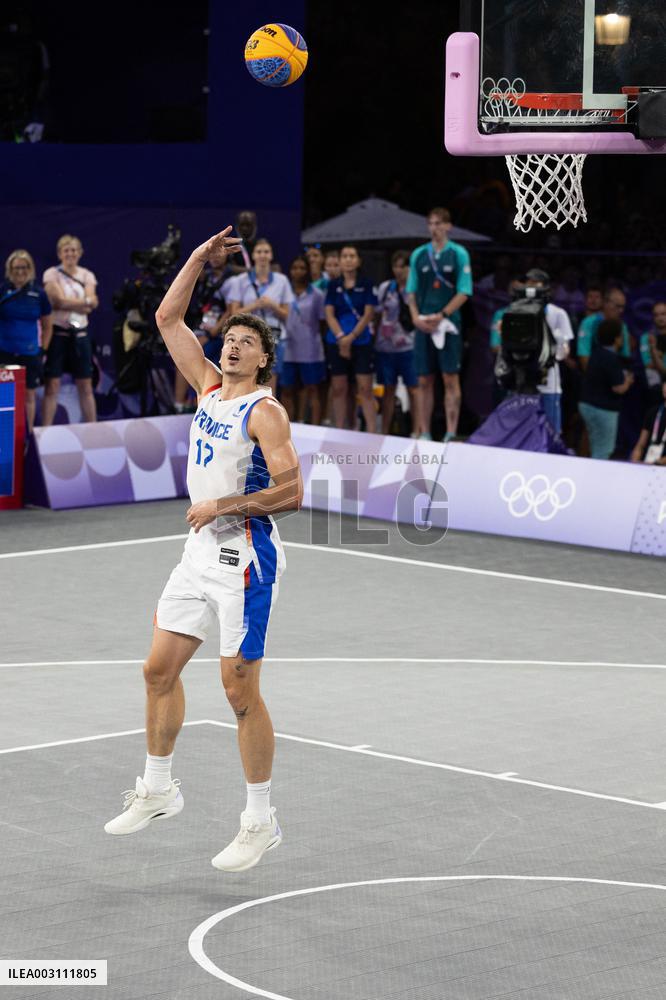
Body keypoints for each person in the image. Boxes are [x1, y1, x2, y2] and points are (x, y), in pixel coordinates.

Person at [104, 226, 303, 875]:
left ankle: (260, 820)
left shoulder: (265, 412)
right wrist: (195, 259)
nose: (233, 344)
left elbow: (293, 492)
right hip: (196, 555)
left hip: (244, 561)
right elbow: (168, 318)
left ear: (264, 359)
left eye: (247, 341)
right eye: (229, 338)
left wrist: (223, 506)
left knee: (239, 691)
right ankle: (158, 789)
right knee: (157, 670)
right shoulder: (209, 389)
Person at [406, 206, 472, 441]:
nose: (434, 228)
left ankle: (450, 432)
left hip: (449, 324)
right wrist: (415, 317)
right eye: (431, 224)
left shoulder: (459, 253)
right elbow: (411, 291)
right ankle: (424, 431)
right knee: (424, 379)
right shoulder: (418, 254)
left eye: (438, 224)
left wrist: (443, 314)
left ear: (448, 226)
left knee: (450, 378)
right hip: (423, 324)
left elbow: (465, 291)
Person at [42, 234, 99, 425]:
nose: (70, 254)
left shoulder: (87, 275)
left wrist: (72, 303)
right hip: (58, 335)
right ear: (59, 254)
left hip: (80, 336)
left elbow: (94, 302)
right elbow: (57, 301)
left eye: (74, 250)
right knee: (52, 385)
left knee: (86, 385)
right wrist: (84, 303)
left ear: (80, 253)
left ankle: (93, 430)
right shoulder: (51, 274)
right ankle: (45, 432)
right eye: (66, 250)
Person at [228, 238, 294, 394]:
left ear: (271, 255)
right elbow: (233, 313)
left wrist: (272, 305)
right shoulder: (240, 281)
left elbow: (287, 314)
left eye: (266, 252)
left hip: (273, 336)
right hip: (247, 337)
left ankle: (267, 408)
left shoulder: (282, 281)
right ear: (253, 255)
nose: (263, 255)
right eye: (259, 252)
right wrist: (255, 305)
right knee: (245, 376)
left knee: (270, 379)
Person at [324, 244, 377, 430]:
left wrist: (351, 337)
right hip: (336, 342)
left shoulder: (367, 284)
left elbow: (369, 314)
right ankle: (340, 429)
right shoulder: (333, 285)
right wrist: (341, 337)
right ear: (339, 261)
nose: (348, 259)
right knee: (339, 388)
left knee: (365, 389)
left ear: (358, 261)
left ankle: (372, 432)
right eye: (344, 256)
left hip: (361, 341)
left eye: (352, 256)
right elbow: (329, 314)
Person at [0, 249, 52, 433]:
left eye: (24, 267)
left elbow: (47, 326)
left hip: (29, 353)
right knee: (5, 395)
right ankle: (5, 435)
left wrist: (42, 350)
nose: (20, 272)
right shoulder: (2, 291)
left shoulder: (39, 294)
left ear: (30, 269)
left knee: (29, 395)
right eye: (16, 268)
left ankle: (27, 436)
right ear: (9, 269)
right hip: (5, 352)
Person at [374, 250, 421, 436]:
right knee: (388, 391)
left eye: (403, 266)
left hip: (409, 347)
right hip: (386, 348)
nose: (399, 270)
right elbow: (377, 315)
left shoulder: (416, 289)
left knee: (414, 389)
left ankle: (417, 432)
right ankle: (384, 433)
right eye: (395, 266)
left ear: (410, 268)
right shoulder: (386, 288)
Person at [579, 319, 634, 459]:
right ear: (617, 339)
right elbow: (618, 388)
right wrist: (628, 381)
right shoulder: (611, 359)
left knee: (595, 446)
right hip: (603, 410)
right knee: (604, 450)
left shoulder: (596, 353)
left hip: (587, 405)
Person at [281, 255, 326, 424]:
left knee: (313, 389)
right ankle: (286, 427)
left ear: (308, 270)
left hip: (310, 351)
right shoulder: (284, 292)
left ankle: (315, 428)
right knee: (287, 390)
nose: (298, 271)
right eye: (295, 268)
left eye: (302, 268)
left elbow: (323, 323)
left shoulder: (317, 295)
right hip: (288, 350)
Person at [577, 289, 631, 371]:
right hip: (593, 372)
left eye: (623, 307)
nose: (621, 311)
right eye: (617, 306)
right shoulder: (588, 323)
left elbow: (625, 356)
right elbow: (584, 355)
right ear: (605, 303)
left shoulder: (623, 326)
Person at [630, 375, 666, 465]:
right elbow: (640, 445)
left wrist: (658, 463)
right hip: (648, 462)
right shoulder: (654, 412)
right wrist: (634, 463)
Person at [639, 302, 666, 406]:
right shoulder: (646, 338)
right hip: (655, 390)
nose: (660, 318)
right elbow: (647, 364)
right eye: (656, 315)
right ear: (653, 318)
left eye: (663, 314)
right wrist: (656, 353)